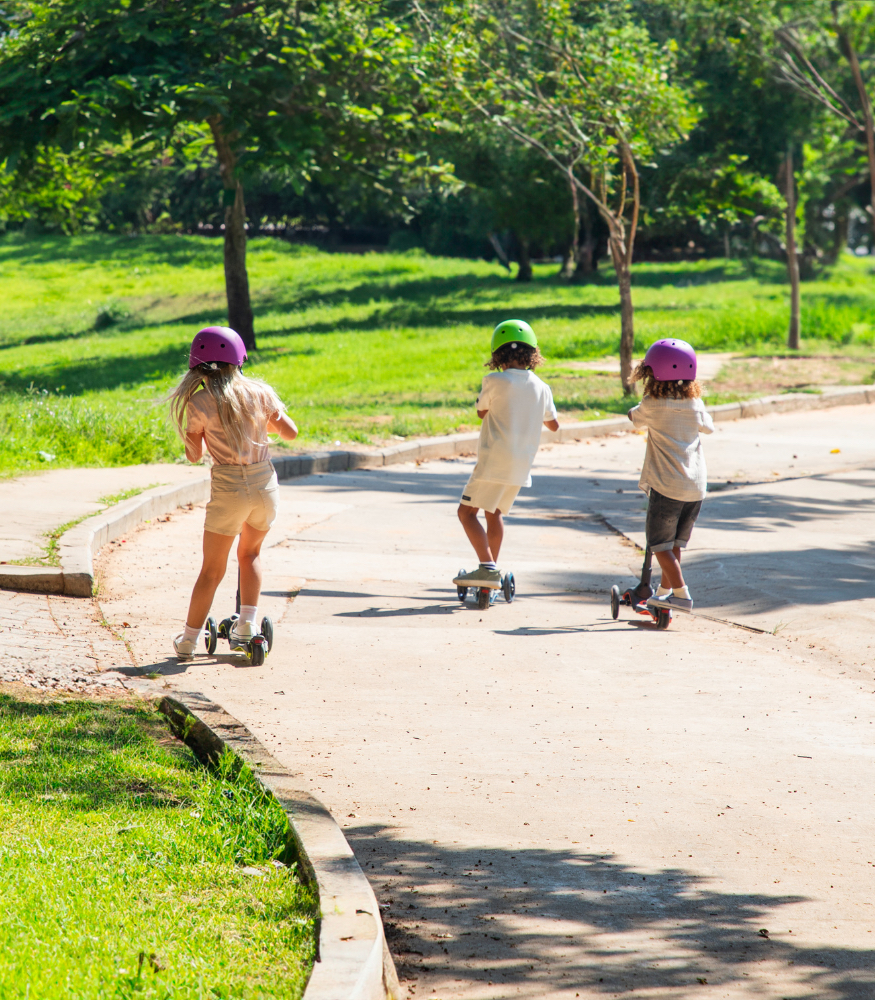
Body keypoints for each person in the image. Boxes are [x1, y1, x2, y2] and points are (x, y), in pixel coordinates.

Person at [168, 326, 298, 658]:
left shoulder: (198, 403)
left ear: (198, 366)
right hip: (264, 486)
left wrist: (194, 433)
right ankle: (247, 625)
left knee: (212, 569)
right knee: (250, 555)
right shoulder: (259, 393)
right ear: (239, 359)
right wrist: (259, 422)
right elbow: (291, 433)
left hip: (229, 488)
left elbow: (195, 454)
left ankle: (188, 640)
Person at [453, 319, 559, 590]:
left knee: (466, 513)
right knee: (494, 512)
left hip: (493, 461)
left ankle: (487, 569)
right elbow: (554, 424)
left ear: (497, 355)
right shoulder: (542, 387)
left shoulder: (493, 380)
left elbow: (481, 412)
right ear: (532, 354)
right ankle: (490, 574)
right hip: (521, 467)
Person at [627, 338, 713, 613]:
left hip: (667, 486)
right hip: (695, 488)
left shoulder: (652, 403)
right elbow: (708, 427)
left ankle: (681, 594)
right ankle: (663, 595)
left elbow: (636, 418)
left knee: (657, 544)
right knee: (673, 544)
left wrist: (632, 411)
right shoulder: (695, 403)